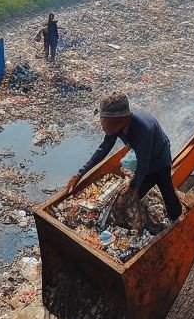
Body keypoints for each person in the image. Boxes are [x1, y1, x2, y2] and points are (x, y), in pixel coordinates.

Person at [66, 92, 183, 222]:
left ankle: (178, 221)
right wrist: (80, 173)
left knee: (166, 189)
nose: (103, 124)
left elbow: (144, 163)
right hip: (142, 156)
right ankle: (135, 215)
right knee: (135, 194)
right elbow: (104, 148)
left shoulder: (143, 130)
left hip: (159, 158)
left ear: (123, 119)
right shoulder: (117, 126)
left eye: (105, 121)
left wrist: (133, 186)